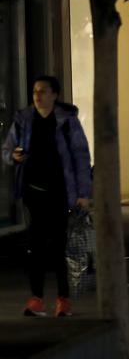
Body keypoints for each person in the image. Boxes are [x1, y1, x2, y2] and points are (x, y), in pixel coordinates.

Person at [2, 76, 91, 318]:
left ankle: (63, 299)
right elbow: (7, 150)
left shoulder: (66, 121)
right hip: (33, 191)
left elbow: (81, 156)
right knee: (36, 245)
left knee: (60, 245)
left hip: (61, 191)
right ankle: (37, 299)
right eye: (35, 91)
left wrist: (83, 193)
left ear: (55, 95)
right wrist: (15, 156)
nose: (37, 96)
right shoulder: (23, 120)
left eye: (43, 91)